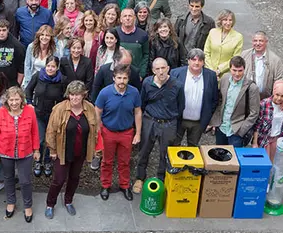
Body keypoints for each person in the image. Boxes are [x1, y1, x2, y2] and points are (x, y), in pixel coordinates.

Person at [44, 81, 98, 219]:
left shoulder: (90, 108)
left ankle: (68, 201)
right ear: (68, 95)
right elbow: (50, 131)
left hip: (80, 152)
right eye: (72, 95)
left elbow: (94, 130)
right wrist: (53, 150)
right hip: (63, 151)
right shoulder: (59, 109)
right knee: (59, 179)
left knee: (74, 178)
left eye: (78, 95)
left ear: (83, 95)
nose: (75, 98)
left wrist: (94, 149)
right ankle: (50, 204)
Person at [134, 58, 183, 193]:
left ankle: (161, 179)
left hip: (168, 123)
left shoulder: (177, 85)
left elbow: (181, 106)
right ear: (153, 70)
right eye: (157, 69)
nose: (161, 71)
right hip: (150, 120)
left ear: (168, 68)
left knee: (165, 153)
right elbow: (142, 102)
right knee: (144, 150)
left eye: (163, 68)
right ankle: (140, 177)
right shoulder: (147, 83)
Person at [0, 86, 40, 222]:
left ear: (21, 99)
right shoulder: (0, 112)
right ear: (7, 100)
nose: (14, 103)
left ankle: (27, 205)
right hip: (5, 152)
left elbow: (35, 132)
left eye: (16, 99)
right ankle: (11, 202)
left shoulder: (30, 111)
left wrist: (36, 150)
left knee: (25, 180)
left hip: (26, 152)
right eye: (11, 100)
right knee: (8, 179)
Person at [94, 64, 142, 201]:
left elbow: (138, 112)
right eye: (119, 78)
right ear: (114, 78)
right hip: (108, 132)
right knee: (107, 161)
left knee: (125, 161)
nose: (122, 81)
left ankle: (124, 185)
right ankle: (105, 185)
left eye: (125, 78)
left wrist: (138, 133)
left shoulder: (134, 93)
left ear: (128, 79)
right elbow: (97, 111)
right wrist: (98, 129)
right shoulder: (105, 92)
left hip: (126, 132)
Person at [25, 56, 67, 177]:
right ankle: (38, 161)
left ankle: (48, 161)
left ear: (57, 67)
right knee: (41, 139)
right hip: (38, 113)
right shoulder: (38, 76)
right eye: (48, 66)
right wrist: (30, 103)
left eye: (53, 66)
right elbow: (28, 90)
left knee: (50, 140)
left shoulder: (62, 80)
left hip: (53, 115)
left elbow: (65, 97)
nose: (50, 68)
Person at [208, 56, 260, 147]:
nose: (237, 74)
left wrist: (242, 130)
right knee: (219, 156)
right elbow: (220, 100)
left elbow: (254, 113)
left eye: (240, 71)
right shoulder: (225, 78)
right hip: (222, 127)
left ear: (244, 69)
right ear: (230, 69)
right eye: (234, 70)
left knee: (234, 159)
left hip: (236, 130)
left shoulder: (252, 88)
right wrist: (216, 121)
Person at [170, 49, 219, 147]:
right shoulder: (175, 73)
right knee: (174, 145)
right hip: (179, 119)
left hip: (198, 123)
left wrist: (207, 115)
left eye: (200, 60)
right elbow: (170, 97)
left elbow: (214, 99)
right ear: (188, 61)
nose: (196, 63)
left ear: (203, 62)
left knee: (193, 148)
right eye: (193, 59)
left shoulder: (211, 76)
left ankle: (189, 163)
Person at [252, 80, 283, 161]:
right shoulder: (264, 104)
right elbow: (257, 125)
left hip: (277, 139)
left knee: (273, 163)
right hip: (264, 139)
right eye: (277, 94)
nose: (279, 98)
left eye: (282, 96)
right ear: (273, 92)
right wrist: (255, 143)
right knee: (263, 163)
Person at [241, 31, 283, 99]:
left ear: (266, 42)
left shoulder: (275, 60)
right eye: (255, 41)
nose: (258, 43)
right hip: (246, 96)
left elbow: (279, 81)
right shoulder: (244, 55)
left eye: (261, 41)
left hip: (265, 99)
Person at [204, 10, 243, 78]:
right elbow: (206, 52)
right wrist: (211, 70)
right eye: (225, 20)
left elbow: (235, 58)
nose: (228, 23)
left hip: (226, 75)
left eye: (230, 20)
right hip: (209, 71)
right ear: (220, 21)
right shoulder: (212, 32)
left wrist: (219, 70)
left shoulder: (238, 37)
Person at [22, 25, 59, 90]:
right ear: (39, 36)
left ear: (51, 37)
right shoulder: (31, 47)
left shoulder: (55, 50)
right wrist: (28, 82)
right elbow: (27, 65)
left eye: (47, 35)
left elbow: (56, 67)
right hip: (32, 78)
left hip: (47, 80)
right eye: (42, 35)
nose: (44, 37)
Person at [117, 8, 149, 78]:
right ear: (121, 19)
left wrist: (141, 73)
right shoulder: (115, 33)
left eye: (130, 16)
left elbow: (146, 55)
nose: (127, 18)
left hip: (136, 74)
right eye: (125, 16)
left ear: (134, 18)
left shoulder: (143, 35)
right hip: (118, 74)